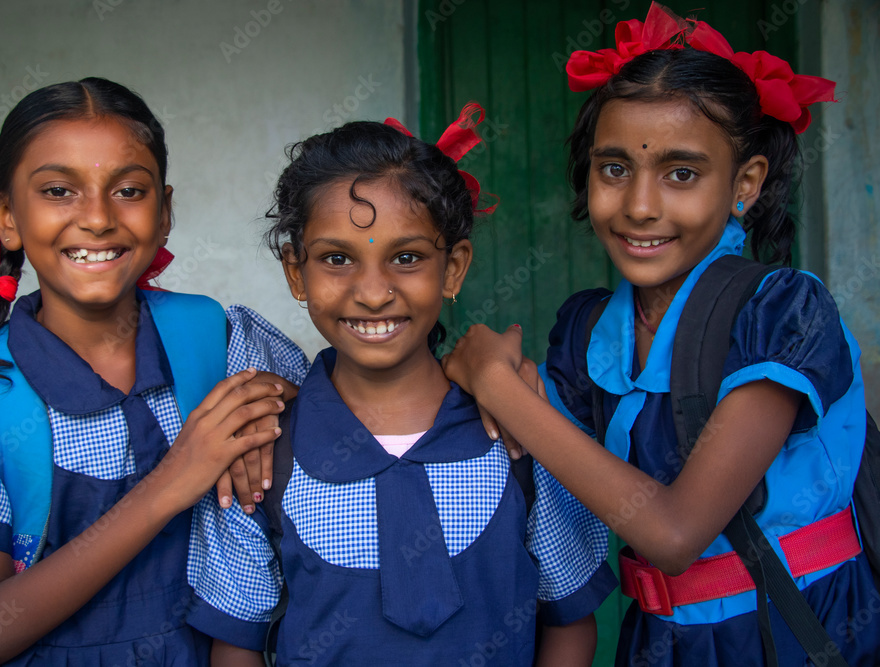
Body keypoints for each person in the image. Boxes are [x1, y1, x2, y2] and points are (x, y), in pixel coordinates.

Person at [441, 4, 880, 665]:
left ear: (746, 183)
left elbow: (675, 533)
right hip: (658, 641)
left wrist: (501, 386)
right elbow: (546, 470)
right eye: (614, 168)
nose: (640, 204)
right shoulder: (587, 330)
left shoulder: (783, 311)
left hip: (791, 630)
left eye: (681, 173)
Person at [195, 105, 617, 666]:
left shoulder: (522, 434)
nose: (373, 293)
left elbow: (568, 624)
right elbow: (235, 644)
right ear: (296, 272)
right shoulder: (264, 455)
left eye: (408, 257)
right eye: (337, 258)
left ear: (453, 268)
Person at [0, 77, 309, 666]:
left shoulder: (218, 339)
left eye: (128, 190)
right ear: (7, 216)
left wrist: (280, 404)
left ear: (165, 211)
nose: (97, 218)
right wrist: (174, 481)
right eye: (57, 191)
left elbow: (331, 435)